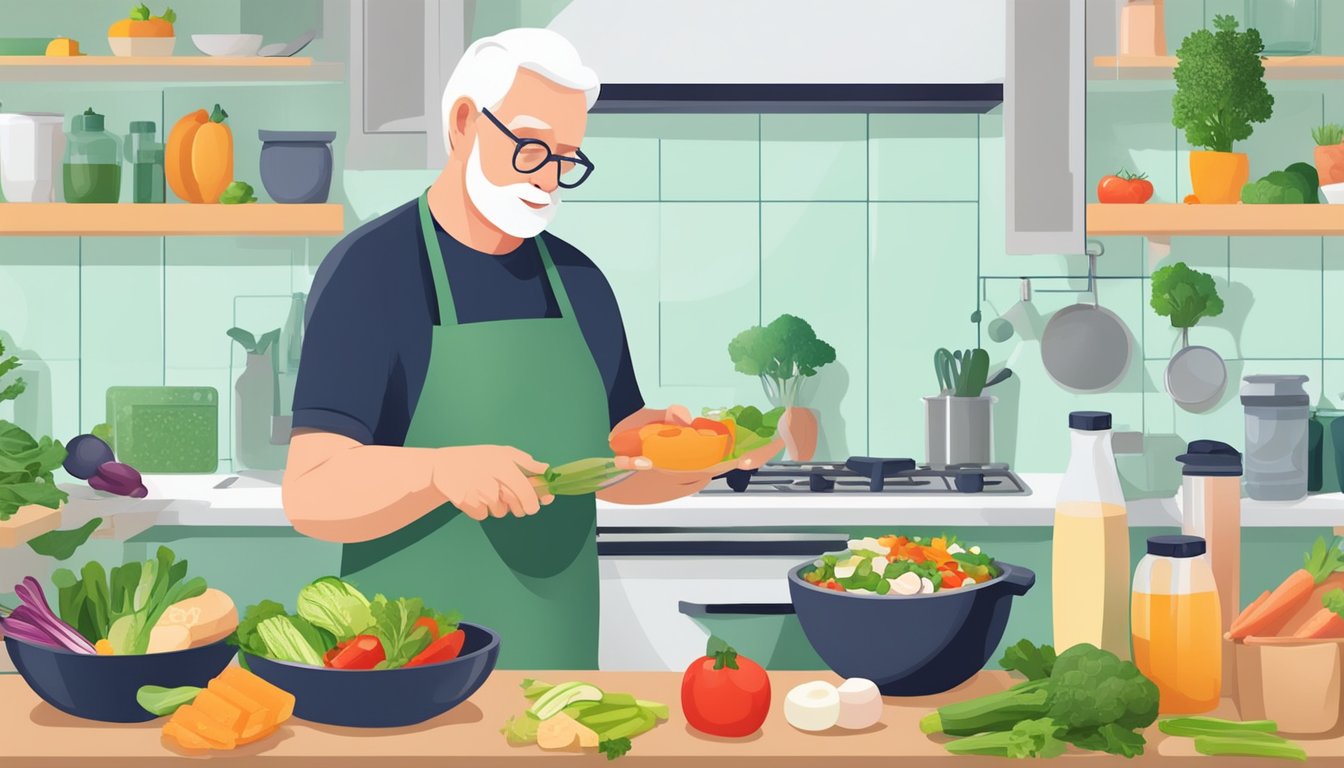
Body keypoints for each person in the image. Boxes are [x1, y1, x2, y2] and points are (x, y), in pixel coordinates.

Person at [282, 28, 761, 669]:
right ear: (462, 125)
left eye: (567, 159)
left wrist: (683, 454)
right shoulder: (371, 272)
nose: (550, 179)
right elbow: (311, 492)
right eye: (532, 148)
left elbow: (607, 464)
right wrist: (437, 472)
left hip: (555, 658)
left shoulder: (582, 283)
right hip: (405, 666)